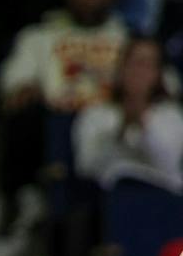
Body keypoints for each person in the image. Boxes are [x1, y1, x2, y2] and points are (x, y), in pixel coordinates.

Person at [0, 0, 127, 215]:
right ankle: (24, 197)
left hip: (111, 120)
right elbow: (15, 78)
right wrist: (24, 87)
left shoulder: (127, 39)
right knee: (24, 115)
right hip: (55, 117)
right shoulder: (41, 35)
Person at [72, 34, 183, 190]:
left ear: (158, 74)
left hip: (161, 202)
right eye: (134, 62)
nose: (139, 71)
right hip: (110, 202)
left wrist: (143, 125)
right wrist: (120, 132)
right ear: (121, 68)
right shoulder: (94, 114)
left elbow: (168, 167)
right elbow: (86, 169)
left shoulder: (172, 116)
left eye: (147, 64)